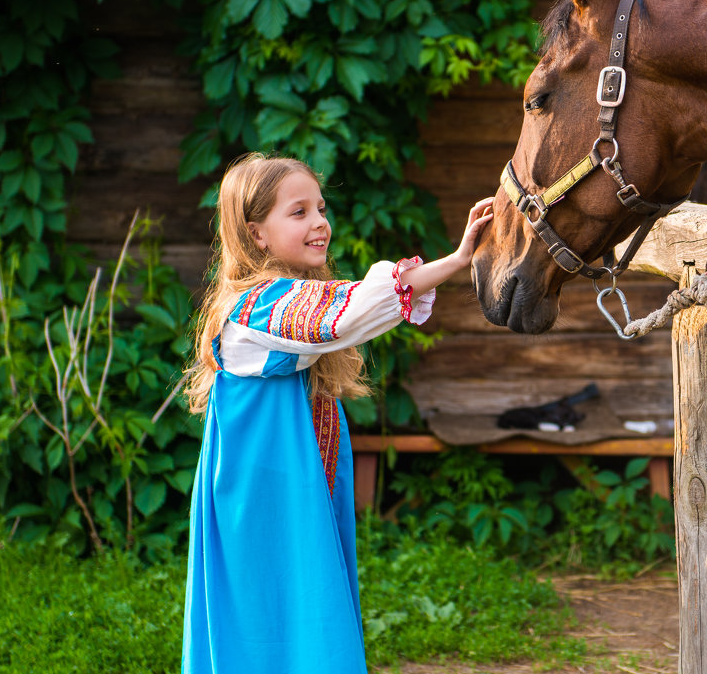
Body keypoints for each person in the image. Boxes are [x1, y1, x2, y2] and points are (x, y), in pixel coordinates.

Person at [180, 153, 493, 674]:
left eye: (320, 208)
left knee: (300, 606)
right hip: (264, 493)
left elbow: (343, 307)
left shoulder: (290, 297)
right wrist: (456, 262)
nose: (319, 222)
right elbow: (342, 318)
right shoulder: (257, 305)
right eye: (298, 212)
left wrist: (458, 258)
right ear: (257, 233)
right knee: (274, 613)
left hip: (294, 481)